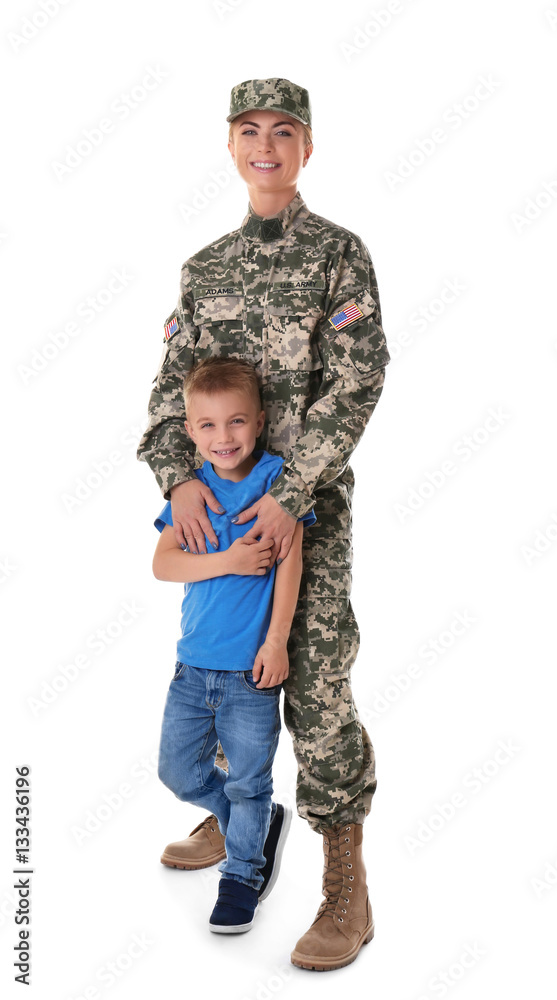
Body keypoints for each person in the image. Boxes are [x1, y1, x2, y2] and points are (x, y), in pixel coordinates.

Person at [138, 77, 390, 969]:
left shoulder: (337, 255)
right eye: (250, 132)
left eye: (284, 132)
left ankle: (344, 888)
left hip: (306, 509)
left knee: (314, 686)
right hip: (219, 511)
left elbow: (358, 379)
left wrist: (293, 492)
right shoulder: (205, 270)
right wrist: (180, 478)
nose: (266, 147)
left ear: (307, 147)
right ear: (232, 146)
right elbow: (171, 397)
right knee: (213, 673)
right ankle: (236, 814)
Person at [153, 356, 315, 933]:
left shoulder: (276, 482)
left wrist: (276, 642)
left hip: (250, 673)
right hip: (192, 667)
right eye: (209, 426)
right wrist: (229, 560)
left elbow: (291, 565)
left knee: (249, 779)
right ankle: (254, 822)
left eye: (238, 422)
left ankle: (243, 874)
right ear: (191, 431)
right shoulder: (192, 492)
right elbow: (164, 564)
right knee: (178, 771)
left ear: (261, 420)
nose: (224, 437)